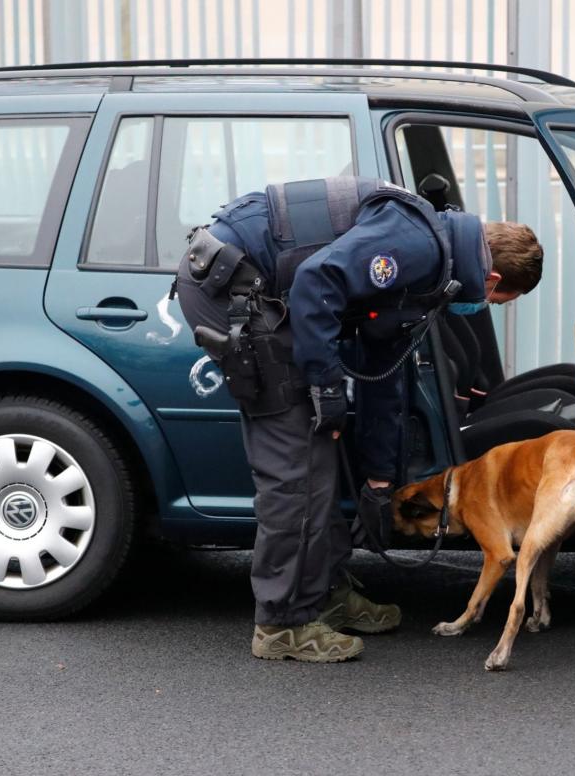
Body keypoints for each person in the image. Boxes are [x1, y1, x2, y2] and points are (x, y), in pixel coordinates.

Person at [172, 176, 543, 663]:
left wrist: (379, 475)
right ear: (492, 281)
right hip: (231, 290)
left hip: (265, 292)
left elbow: (380, 367)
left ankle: (322, 590)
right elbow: (315, 281)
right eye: (496, 303)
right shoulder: (416, 245)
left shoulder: (435, 261)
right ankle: (283, 623)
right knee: (297, 468)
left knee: (323, 449)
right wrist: (325, 385)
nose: (482, 308)